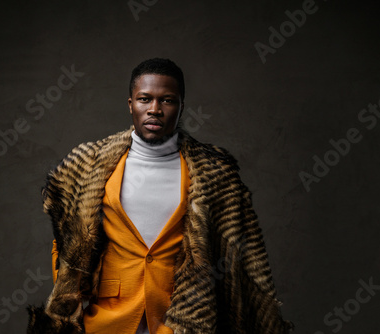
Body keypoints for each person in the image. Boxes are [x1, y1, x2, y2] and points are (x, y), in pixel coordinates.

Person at [27, 58, 293, 334]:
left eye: (167, 101)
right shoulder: (87, 164)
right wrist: (72, 292)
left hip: (181, 319)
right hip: (107, 319)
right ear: (130, 103)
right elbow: (65, 240)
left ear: (180, 107)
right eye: (145, 99)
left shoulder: (215, 173)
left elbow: (241, 255)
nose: (154, 109)